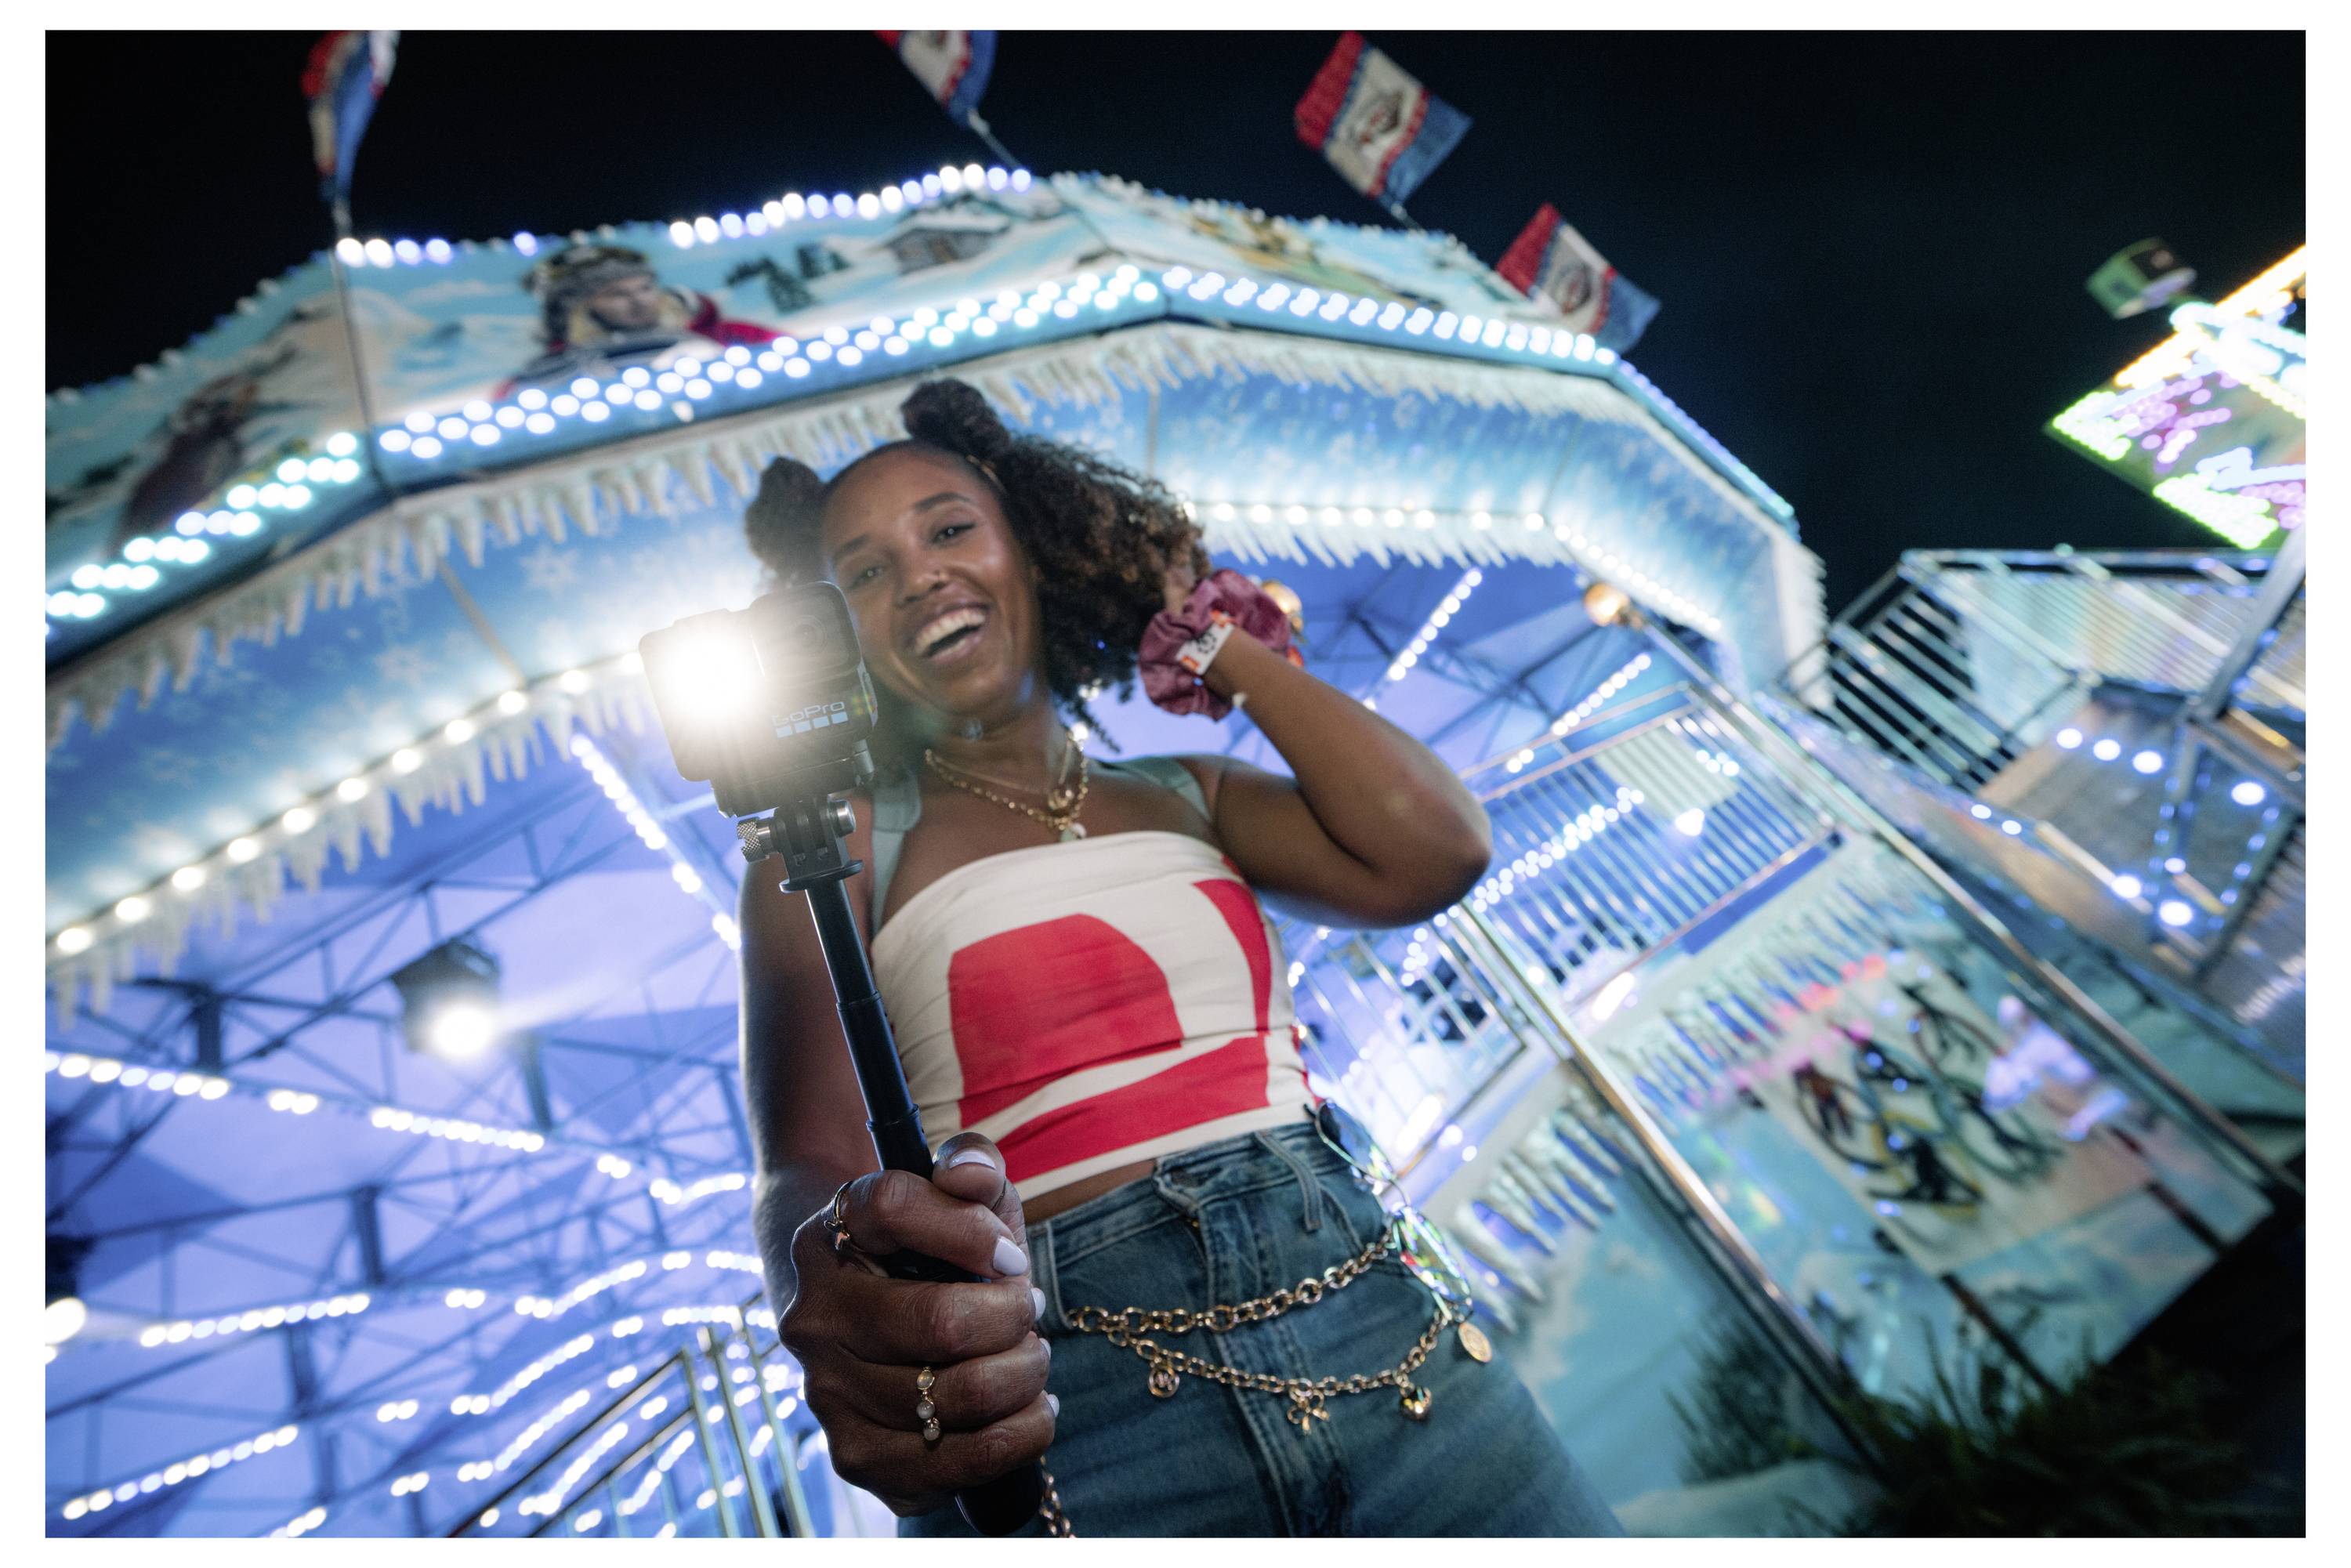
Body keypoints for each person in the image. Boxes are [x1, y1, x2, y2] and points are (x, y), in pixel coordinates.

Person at [736, 378, 1623, 1537]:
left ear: (1036, 549)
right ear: (839, 635)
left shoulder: (1189, 793)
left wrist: (1207, 633)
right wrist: (837, 1291)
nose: (918, 575)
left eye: (950, 527)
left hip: (1383, 1335)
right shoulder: (835, 841)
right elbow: (806, 1163)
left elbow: (1435, 849)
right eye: (862, 571)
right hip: (1069, 1406)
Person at [498, 244, 777, 396]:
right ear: (577, 309)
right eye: (616, 294)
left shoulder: (727, 337)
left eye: (645, 288)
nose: (639, 300)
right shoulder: (545, 374)